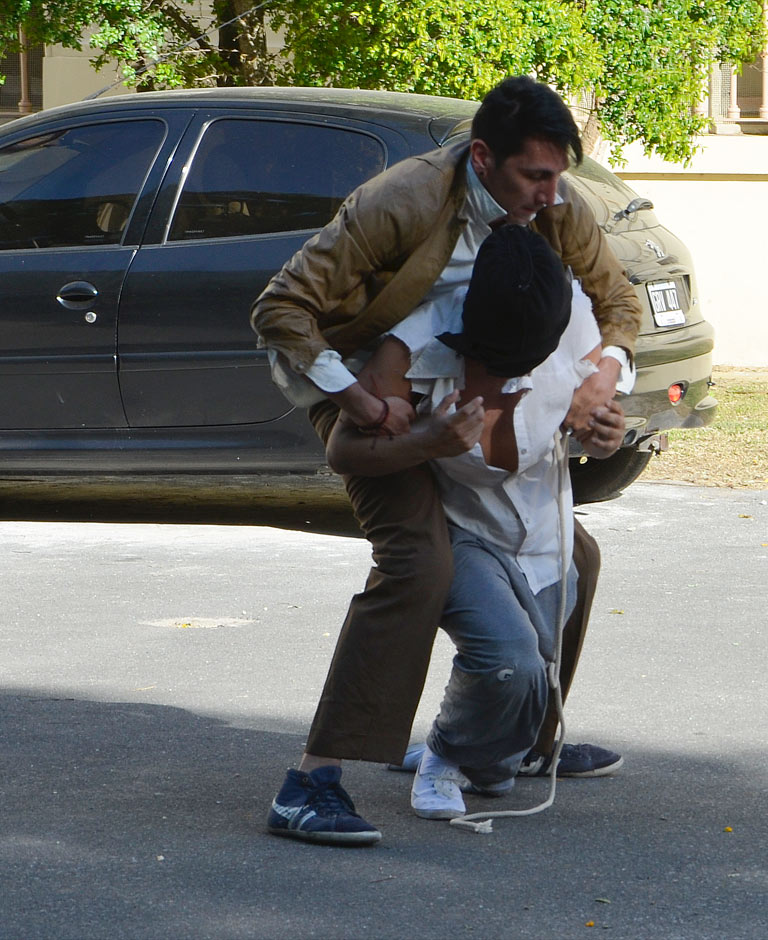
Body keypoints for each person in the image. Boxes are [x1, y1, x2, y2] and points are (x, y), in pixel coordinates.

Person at [253, 76, 640, 846]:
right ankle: (309, 782)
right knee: (421, 565)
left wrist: (601, 383)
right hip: (376, 382)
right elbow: (281, 308)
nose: (552, 192)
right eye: (536, 175)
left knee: (578, 553)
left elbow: (618, 303)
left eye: (559, 174)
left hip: (491, 370)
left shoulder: (556, 204)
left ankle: (525, 736)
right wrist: (362, 401)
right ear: (485, 158)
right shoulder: (400, 201)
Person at [325, 225, 627, 820]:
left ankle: (494, 754)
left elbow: (607, 405)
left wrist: (604, 436)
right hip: (463, 529)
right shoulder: (412, 349)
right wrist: (425, 439)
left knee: (525, 697)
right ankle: (443, 752)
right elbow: (344, 453)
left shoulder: (570, 323)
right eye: (499, 361)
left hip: (544, 532)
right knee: (507, 663)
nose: (515, 379)